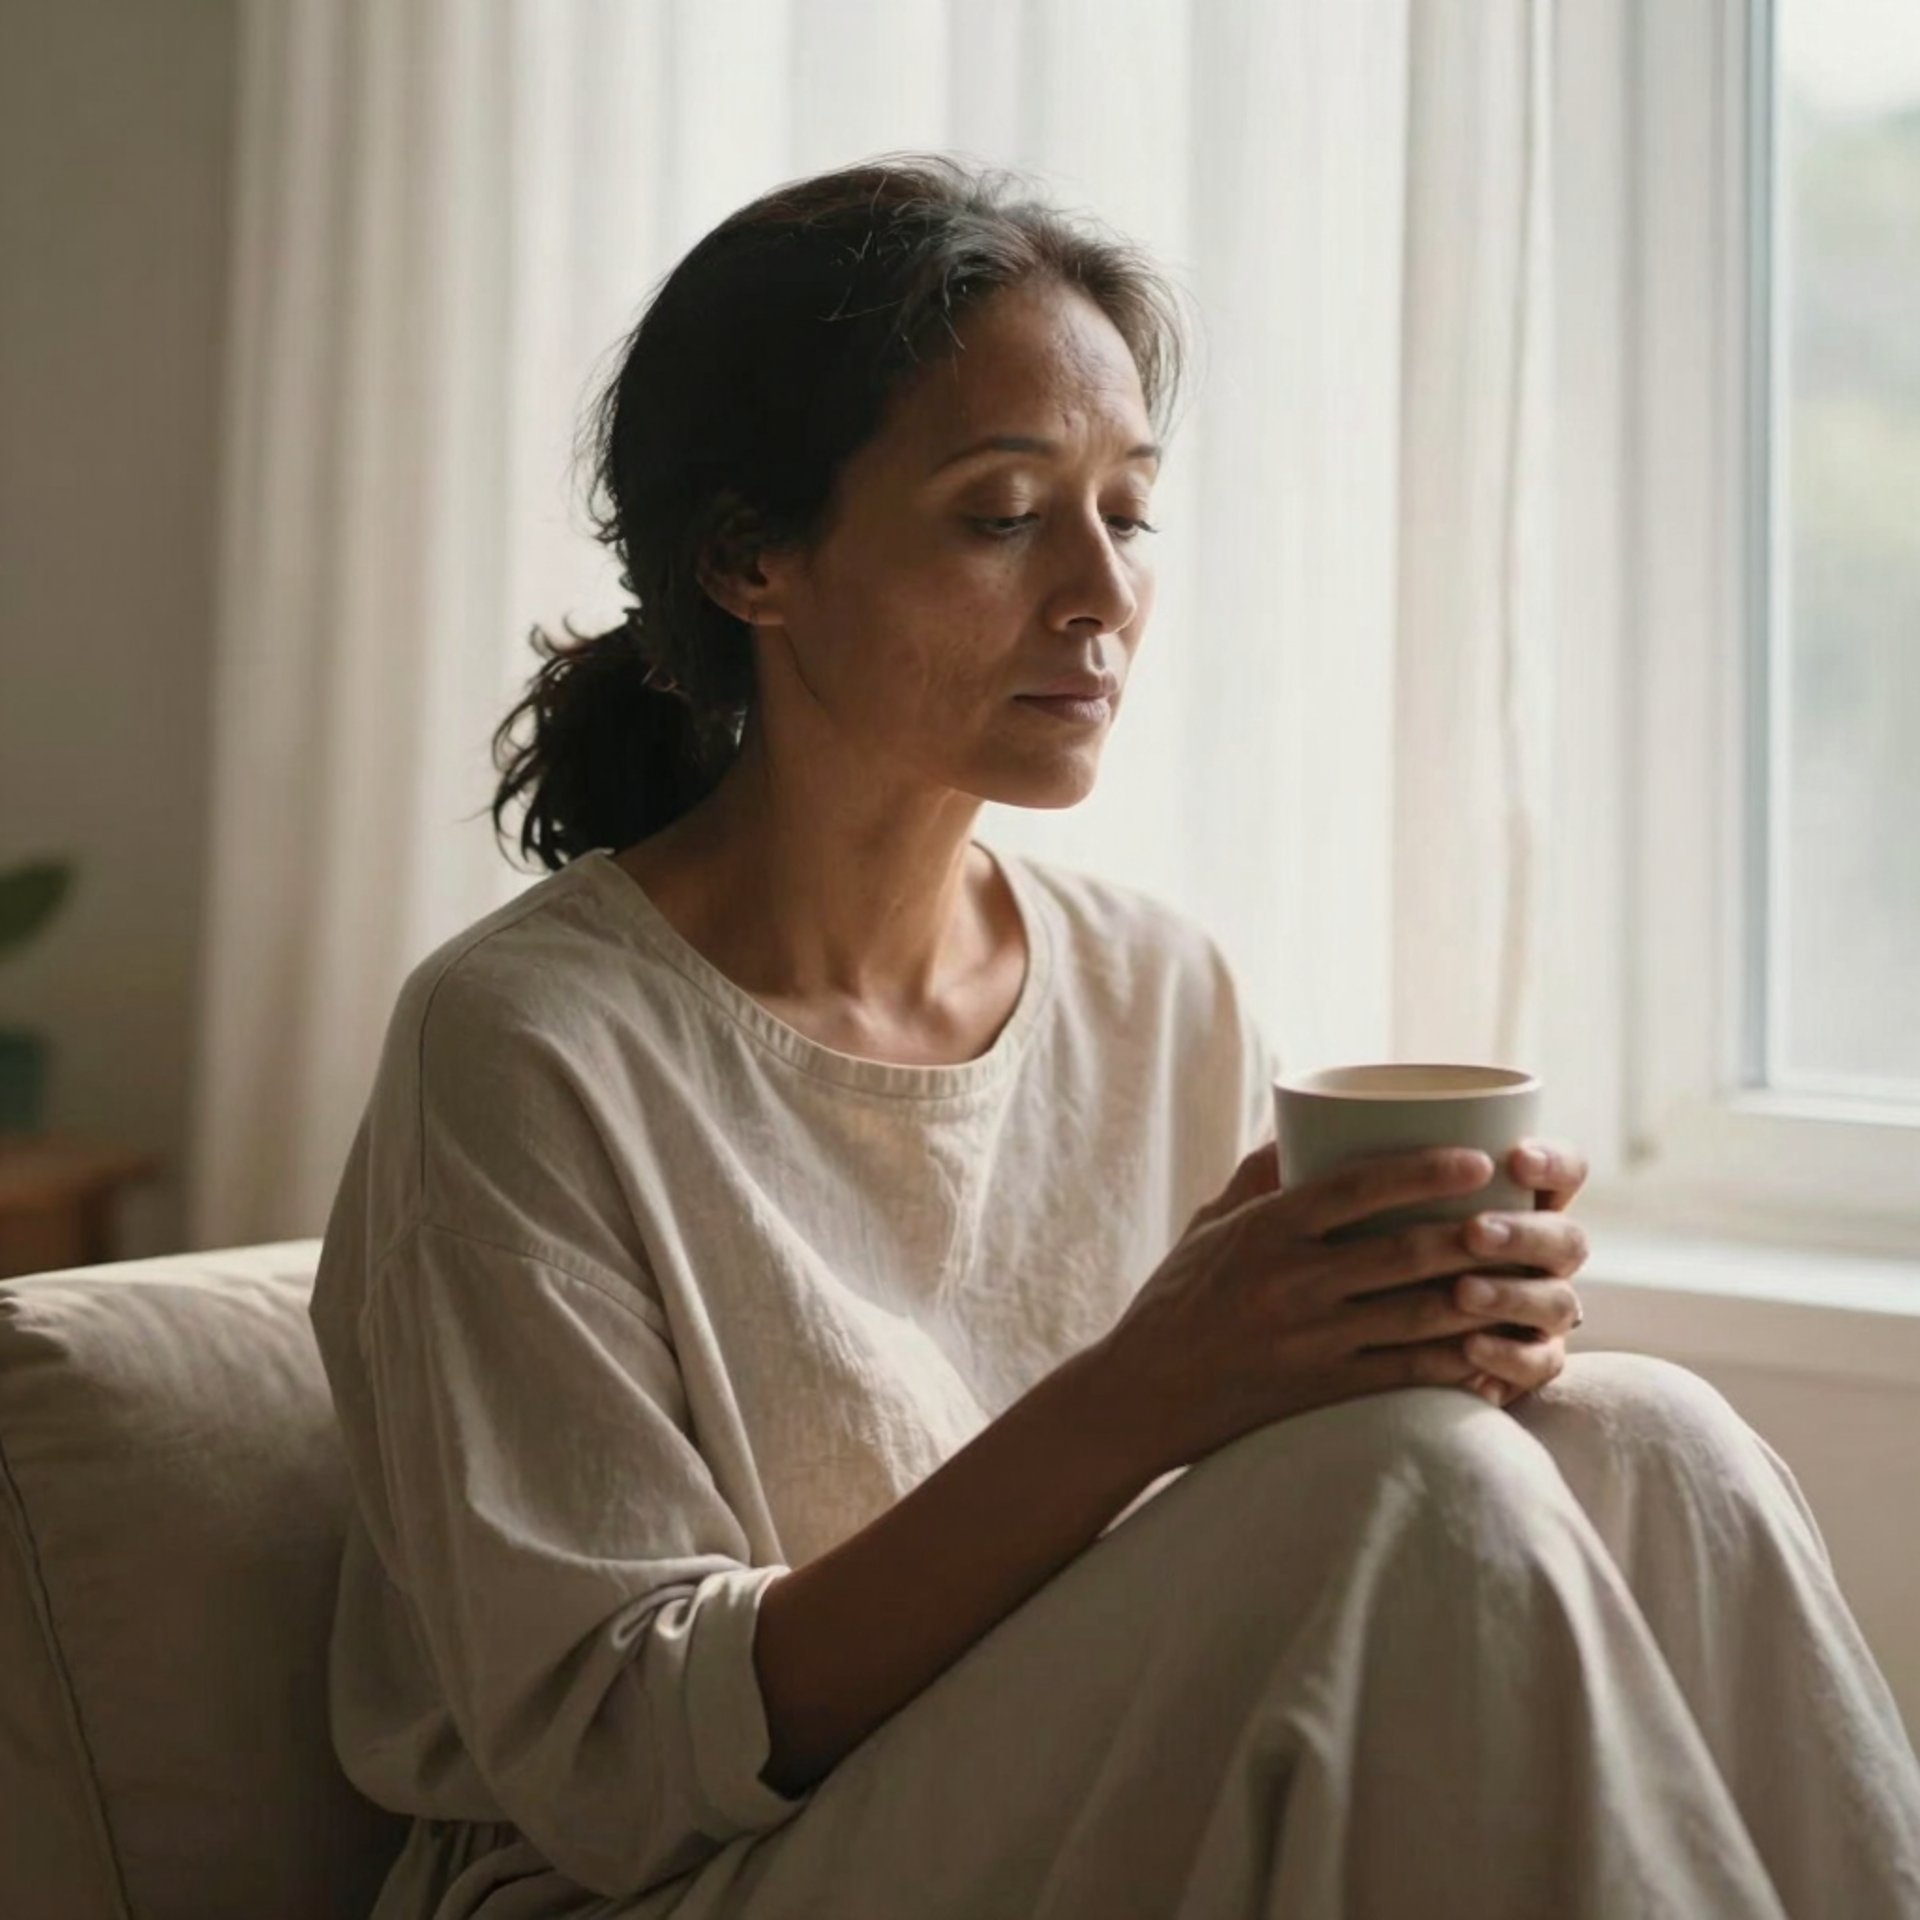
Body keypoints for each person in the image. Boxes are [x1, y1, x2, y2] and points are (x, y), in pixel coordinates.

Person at [307, 153, 1920, 1920]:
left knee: (1647, 1443)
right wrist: (1156, 1387)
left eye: (1127, 511)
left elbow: (1263, 1542)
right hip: (675, 1879)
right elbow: (619, 1766)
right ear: (751, 557)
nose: (1100, 593)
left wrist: (1405, 1330)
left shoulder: (1160, 987)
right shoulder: (526, 1047)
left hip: (1050, 1791)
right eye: (1004, 516)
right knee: (1422, 1487)